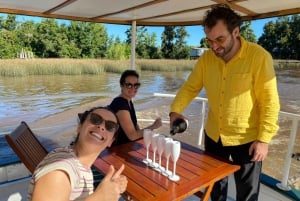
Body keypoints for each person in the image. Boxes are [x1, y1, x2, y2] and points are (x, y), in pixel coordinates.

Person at [169, 4, 280, 201]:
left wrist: (264, 139)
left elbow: (269, 102)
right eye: (210, 40)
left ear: (235, 32)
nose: (214, 46)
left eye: (220, 39)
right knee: (215, 187)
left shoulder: (259, 57)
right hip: (214, 135)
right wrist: (175, 111)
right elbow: (190, 87)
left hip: (247, 138)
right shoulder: (206, 60)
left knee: (247, 193)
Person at [27, 106, 128, 201]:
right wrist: (99, 198)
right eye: (95, 119)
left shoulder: (81, 165)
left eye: (110, 126)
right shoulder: (60, 171)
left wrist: (112, 188)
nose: (101, 126)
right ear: (79, 127)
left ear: (111, 141)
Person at [109, 69, 162, 146]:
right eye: (129, 85)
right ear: (121, 85)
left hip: (128, 145)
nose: (133, 88)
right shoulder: (121, 105)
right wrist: (154, 126)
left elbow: (135, 126)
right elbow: (132, 136)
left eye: (136, 85)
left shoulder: (128, 101)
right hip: (119, 149)